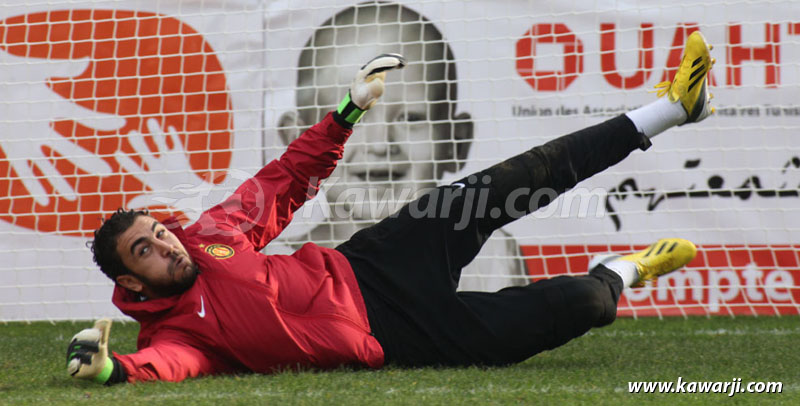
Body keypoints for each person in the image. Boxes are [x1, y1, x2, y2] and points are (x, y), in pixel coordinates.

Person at [66, 28, 715, 383]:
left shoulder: (213, 236)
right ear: (129, 279)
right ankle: (623, 269)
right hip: (396, 338)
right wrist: (111, 370)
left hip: (371, 266)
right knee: (586, 304)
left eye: (158, 231)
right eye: (145, 249)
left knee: (516, 180)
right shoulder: (180, 332)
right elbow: (167, 365)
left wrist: (346, 113)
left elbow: (286, 179)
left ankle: (667, 109)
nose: (166, 244)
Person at [271, 2, 527, 291]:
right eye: (352, 116)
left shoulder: (489, 259)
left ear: (456, 141)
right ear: (297, 137)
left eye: (411, 118)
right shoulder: (276, 266)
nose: (381, 145)